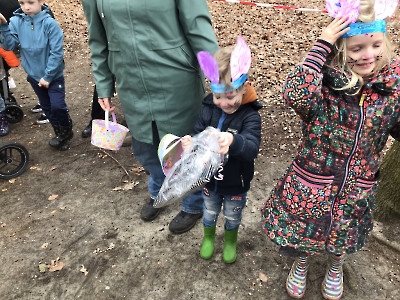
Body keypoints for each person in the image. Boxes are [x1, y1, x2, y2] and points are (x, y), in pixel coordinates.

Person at [261, 0, 400, 298]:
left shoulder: (392, 87)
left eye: (375, 45)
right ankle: (302, 262)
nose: (368, 55)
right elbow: (295, 95)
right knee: (306, 228)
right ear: (340, 51)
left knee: (344, 230)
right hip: (314, 179)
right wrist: (322, 43)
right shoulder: (325, 86)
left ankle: (336, 266)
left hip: (358, 183)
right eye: (357, 48)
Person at [81, 0, 219, 234]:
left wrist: (219, 76)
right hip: (130, 81)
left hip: (176, 77)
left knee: (186, 146)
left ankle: (193, 204)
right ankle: (160, 192)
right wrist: (103, 84)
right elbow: (98, 39)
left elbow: (199, 28)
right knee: (145, 145)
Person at [181, 37, 261, 263]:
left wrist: (233, 141)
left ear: (244, 87)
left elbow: (252, 147)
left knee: (233, 215)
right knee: (209, 211)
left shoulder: (250, 116)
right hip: (210, 180)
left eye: (230, 96)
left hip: (236, 182)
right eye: (217, 96)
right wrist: (191, 143)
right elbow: (198, 132)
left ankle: (230, 239)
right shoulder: (208, 110)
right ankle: (208, 237)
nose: (224, 103)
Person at [0, 0, 73, 150]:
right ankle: (59, 134)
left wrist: (48, 76)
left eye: (31, 2)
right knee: (47, 107)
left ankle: (66, 129)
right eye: (21, 3)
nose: (26, 7)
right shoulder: (15, 21)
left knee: (58, 106)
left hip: (53, 76)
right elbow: (9, 45)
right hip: (33, 76)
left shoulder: (50, 24)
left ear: (41, 1)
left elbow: (57, 52)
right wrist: (3, 26)